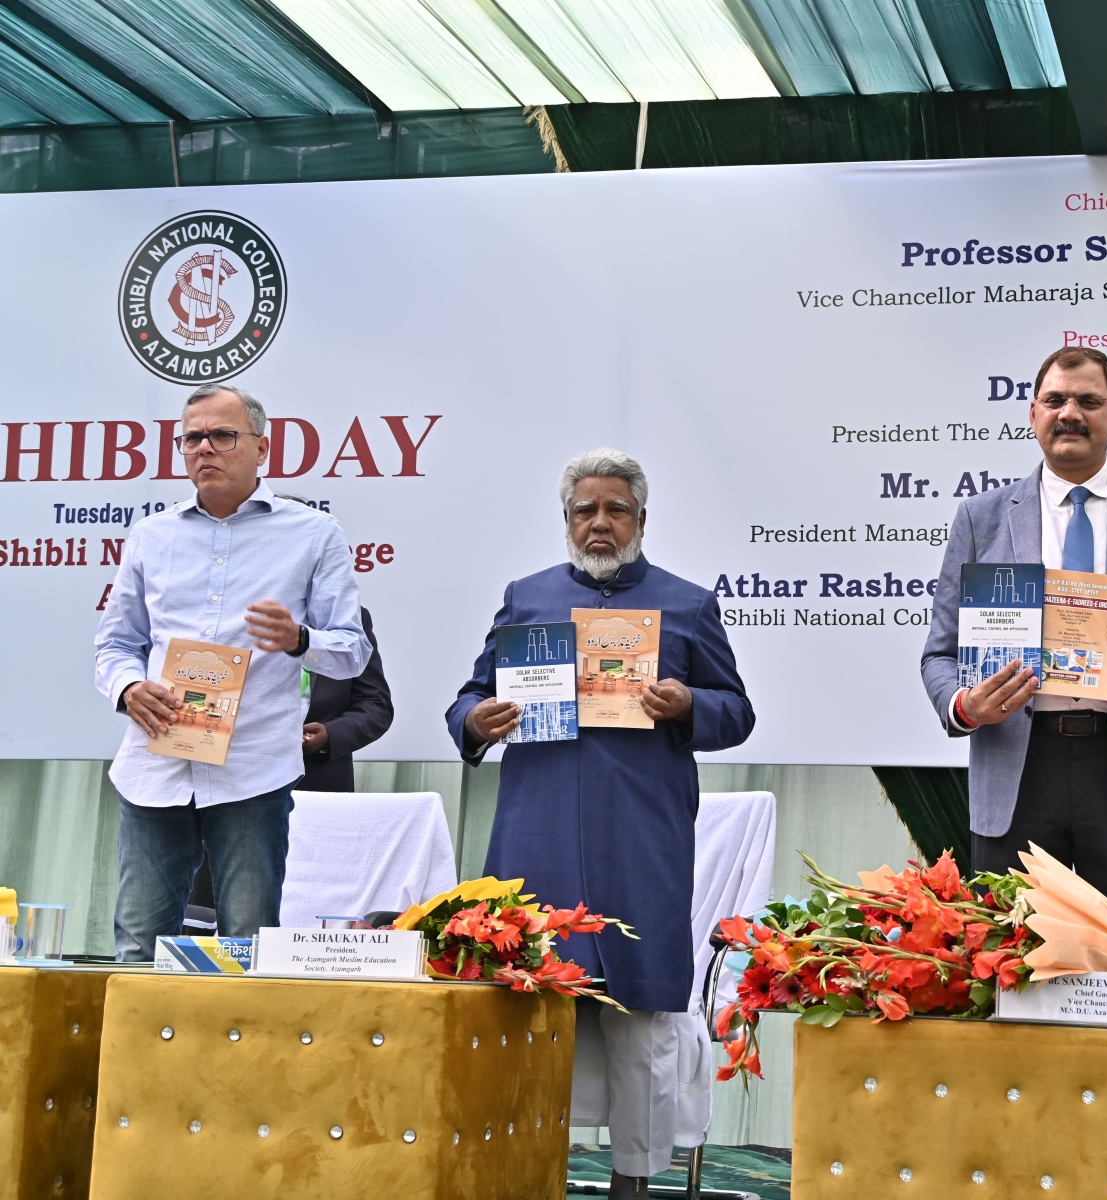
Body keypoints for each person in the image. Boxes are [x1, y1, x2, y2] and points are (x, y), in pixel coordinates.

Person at [446, 447, 753, 1198]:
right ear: (567, 520)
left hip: (639, 832)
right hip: (537, 826)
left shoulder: (686, 604)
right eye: (586, 510)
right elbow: (469, 698)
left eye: (616, 509)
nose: (600, 523)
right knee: (524, 1000)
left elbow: (737, 711)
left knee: (639, 1015)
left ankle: (633, 1179)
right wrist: (477, 721)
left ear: (641, 518)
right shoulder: (527, 597)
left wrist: (690, 704)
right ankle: (520, 1166)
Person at [921, 346, 1107, 935]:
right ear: (1032, 414)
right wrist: (964, 705)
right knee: (1007, 960)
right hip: (1016, 764)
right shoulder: (981, 518)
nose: (1070, 413)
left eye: (1088, 401)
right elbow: (940, 653)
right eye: (1055, 400)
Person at [94, 383, 370, 959]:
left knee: (247, 947)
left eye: (223, 435)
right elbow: (116, 644)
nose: (205, 448)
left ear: (262, 448)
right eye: (192, 438)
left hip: (252, 768)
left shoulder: (314, 534)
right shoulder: (151, 536)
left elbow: (351, 651)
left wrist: (299, 640)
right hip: (157, 764)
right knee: (137, 946)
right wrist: (128, 687)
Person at [300, 605, 393, 792]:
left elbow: (376, 706)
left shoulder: (350, 617)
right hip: (244, 779)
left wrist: (330, 735)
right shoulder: (239, 610)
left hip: (320, 784)